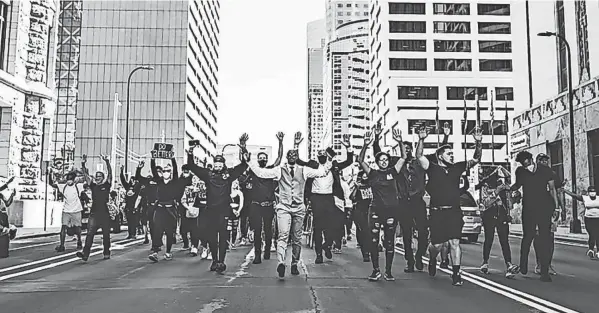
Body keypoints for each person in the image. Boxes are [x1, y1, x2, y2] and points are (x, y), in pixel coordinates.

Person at [373, 123, 450, 273]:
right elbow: (379, 155)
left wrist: (445, 135)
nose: (407, 151)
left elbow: (439, 154)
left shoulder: (420, 162)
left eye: (409, 149)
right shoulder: (396, 163)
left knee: (423, 232)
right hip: (402, 204)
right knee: (407, 233)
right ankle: (410, 260)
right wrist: (376, 137)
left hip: (418, 202)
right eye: (404, 149)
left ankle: (420, 255)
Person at [416, 126, 483, 286]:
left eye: (453, 153)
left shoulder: (457, 167)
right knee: (437, 245)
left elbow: (476, 159)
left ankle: (456, 274)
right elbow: (419, 155)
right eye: (448, 153)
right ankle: (432, 259)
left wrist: (479, 142)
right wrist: (421, 139)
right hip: (437, 213)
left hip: (454, 212)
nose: (452, 155)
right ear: (440, 156)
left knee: (454, 242)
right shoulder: (432, 168)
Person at [187, 135, 249, 273]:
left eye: (220, 163)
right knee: (211, 238)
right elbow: (192, 166)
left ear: (223, 164)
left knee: (223, 238)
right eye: (216, 163)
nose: (218, 165)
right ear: (213, 164)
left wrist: (243, 147)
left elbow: (243, 166)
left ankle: (221, 261)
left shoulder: (229, 174)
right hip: (210, 211)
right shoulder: (208, 174)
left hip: (224, 211)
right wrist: (190, 152)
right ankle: (215, 260)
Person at [357, 128, 406, 281]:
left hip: (391, 211)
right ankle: (376, 269)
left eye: (386, 159)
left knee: (390, 242)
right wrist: (365, 145)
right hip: (376, 210)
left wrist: (399, 142)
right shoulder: (373, 174)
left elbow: (404, 157)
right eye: (381, 160)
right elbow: (360, 160)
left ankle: (388, 271)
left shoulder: (393, 171)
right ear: (377, 162)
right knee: (373, 240)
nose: (384, 162)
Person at [510, 151, 560, 282]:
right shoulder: (520, 171)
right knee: (528, 236)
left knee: (544, 238)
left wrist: (556, 207)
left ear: (531, 159)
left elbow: (552, 188)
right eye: (522, 163)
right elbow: (517, 185)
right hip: (529, 208)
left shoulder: (545, 170)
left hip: (544, 207)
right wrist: (508, 188)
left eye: (525, 162)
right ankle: (523, 265)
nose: (524, 165)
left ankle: (544, 272)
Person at [246, 132, 283, 264]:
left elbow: (279, 158)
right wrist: (243, 146)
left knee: (268, 229)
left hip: (268, 205)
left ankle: (267, 249)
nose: (262, 159)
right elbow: (245, 160)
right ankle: (257, 254)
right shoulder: (254, 171)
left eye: (264, 157)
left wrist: (280, 142)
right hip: (256, 205)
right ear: (258, 159)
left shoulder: (270, 170)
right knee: (257, 230)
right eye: (260, 157)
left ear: (266, 160)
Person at [476, 173, 519, 278]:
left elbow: (509, 205)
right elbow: (485, 203)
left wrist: (514, 196)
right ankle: (485, 262)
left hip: (502, 216)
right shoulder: (485, 187)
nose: (501, 180)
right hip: (489, 216)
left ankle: (509, 264)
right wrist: (496, 192)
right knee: (488, 239)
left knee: (504, 241)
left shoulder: (504, 188)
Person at [146, 155, 189, 262]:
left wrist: (173, 159)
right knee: (157, 230)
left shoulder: (174, 181)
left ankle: (168, 252)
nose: (165, 172)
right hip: (160, 209)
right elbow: (154, 171)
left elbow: (175, 171)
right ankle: (155, 251)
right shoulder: (159, 181)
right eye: (164, 171)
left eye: (168, 171)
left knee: (170, 231)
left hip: (170, 210)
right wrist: (152, 159)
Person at [76, 154, 113, 261]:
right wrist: (83, 163)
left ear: (103, 178)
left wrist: (107, 162)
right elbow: (86, 175)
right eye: (96, 176)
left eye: (99, 176)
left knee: (106, 235)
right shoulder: (93, 186)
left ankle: (106, 252)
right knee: (89, 234)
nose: (97, 178)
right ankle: (85, 254)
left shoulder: (106, 185)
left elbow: (110, 174)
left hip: (105, 214)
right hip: (94, 214)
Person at [533, 153, 561, 275]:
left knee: (550, 237)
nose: (544, 162)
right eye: (541, 160)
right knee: (538, 236)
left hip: (549, 209)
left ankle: (548, 264)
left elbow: (555, 190)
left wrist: (557, 207)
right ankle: (539, 263)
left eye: (545, 160)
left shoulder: (552, 174)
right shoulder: (532, 174)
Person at [50, 166, 85, 252]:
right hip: (66, 210)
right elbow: (52, 184)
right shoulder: (63, 186)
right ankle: (62, 245)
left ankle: (79, 240)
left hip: (76, 209)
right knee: (63, 227)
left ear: (74, 179)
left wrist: (83, 167)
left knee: (78, 228)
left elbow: (86, 180)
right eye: (68, 179)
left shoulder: (78, 186)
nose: (69, 180)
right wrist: (50, 173)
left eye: (70, 179)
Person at [563, 186, 599, 260]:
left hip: (597, 218)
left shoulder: (598, 198)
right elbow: (575, 196)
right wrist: (565, 191)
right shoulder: (585, 198)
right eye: (591, 191)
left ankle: (598, 251)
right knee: (592, 234)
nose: (593, 193)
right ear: (588, 193)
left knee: (598, 234)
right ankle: (591, 249)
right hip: (588, 219)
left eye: (594, 191)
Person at [136, 161, 161, 245]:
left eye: (159, 172)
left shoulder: (164, 181)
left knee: (159, 225)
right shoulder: (149, 181)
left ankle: (159, 240)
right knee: (152, 225)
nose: (158, 173)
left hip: (161, 206)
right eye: (156, 171)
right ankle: (155, 244)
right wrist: (139, 168)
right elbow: (138, 178)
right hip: (150, 206)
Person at [350, 170, 373, 262]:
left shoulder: (372, 186)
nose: (365, 177)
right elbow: (351, 197)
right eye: (363, 176)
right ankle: (366, 252)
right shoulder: (358, 187)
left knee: (371, 231)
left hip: (371, 210)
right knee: (364, 231)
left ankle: (372, 248)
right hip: (360, 211)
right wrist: (356, 188)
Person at [120, 167, 141, 239]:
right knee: (129, 221)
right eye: (131, 180)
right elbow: (123, 181)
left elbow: (138, 178)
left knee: (134, 221)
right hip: (128, 206)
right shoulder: (127, 187)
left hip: (134, 206)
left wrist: (138, 169)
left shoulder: (137, 188)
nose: (132, 181)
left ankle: (134, 234)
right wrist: (121, 171)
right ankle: (130, 234)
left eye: (133, 180)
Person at [229, 180, 244, 250]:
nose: (235, 184)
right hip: (229, 211)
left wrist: (238, 211)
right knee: (228, 227)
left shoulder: (239, 193)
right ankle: (227, 242)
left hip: (236, 211)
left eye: (236, 183)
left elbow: (241, 203)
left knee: (234, 228)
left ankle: (233, 242)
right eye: (233, 183)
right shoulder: (227, 192)